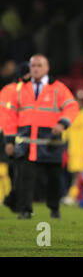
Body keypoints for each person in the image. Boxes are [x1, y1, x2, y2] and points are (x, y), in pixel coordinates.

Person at [3, 54, 79, 219]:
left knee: (53, 179)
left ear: (47, 68)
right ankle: (25, 210)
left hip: (50, 142)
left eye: (39, 65)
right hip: (27, 143)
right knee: (24, 178)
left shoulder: (58, 88)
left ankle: (54, 209)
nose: (36, 69)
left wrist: (63, 123)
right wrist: (9, 141)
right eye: (33, 66)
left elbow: (72, 107)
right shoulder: (20, 88)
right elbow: (10, 117)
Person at [0, 62, 31, 212]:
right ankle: (12, 199)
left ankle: (13, 199)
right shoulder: (14, 90)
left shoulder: (19, 89)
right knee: (15, 169)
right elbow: (7, 115)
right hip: (9, 134)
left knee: (17, 170)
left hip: (16, 134)